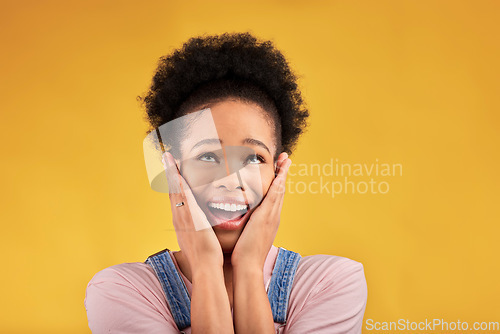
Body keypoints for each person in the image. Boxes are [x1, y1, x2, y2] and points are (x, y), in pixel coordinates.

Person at [84, 31, 367, 334]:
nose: (231, 181)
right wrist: (206, 268)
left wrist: (248, 268)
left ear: (278, 171)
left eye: (253, 158)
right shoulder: (121, 291)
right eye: (207, 157)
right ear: (173, 171)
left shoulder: (332, 282)